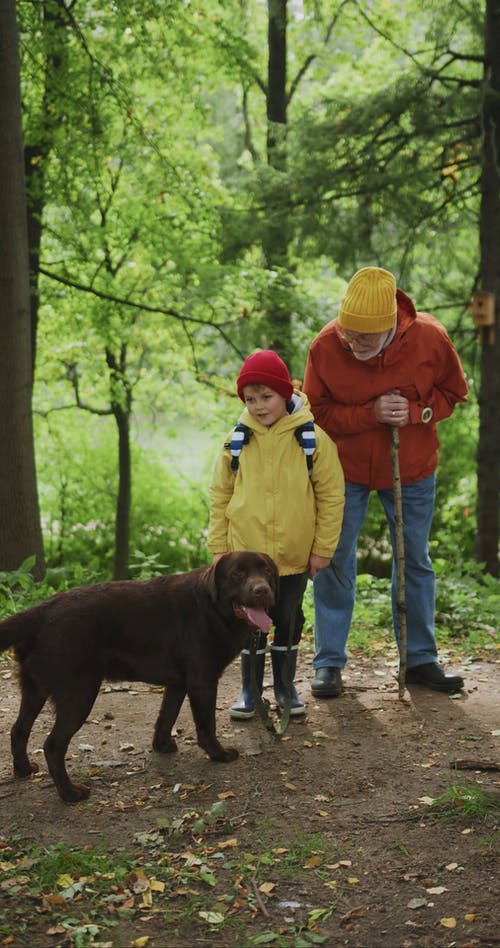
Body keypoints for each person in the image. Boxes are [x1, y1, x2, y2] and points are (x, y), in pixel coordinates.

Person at [303, 266, 468, 697]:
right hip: (345, 471)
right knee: (334, 556)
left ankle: (419, 659)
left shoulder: (431, 339)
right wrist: (369, 414)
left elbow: (453, 394)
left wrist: (416, 412)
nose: (352, 344)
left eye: (364, 339)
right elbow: (315, 413)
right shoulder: (325, 345)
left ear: (391, 325)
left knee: (414, 559)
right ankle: (329, 665)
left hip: (411, 471)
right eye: (348, 335)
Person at [208, 349, 345, 718]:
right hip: (245, 560)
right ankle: (250, 692)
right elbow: (220, 496)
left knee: (287, 620)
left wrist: (323, 549)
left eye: (266, 397)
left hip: (292, 557)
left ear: (286, 393)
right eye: (250, 399)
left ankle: (285, 687)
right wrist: (219, 547)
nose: (258, 406)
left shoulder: (312, 440)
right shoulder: (235, 442)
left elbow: (332, 496)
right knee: (250, 624)